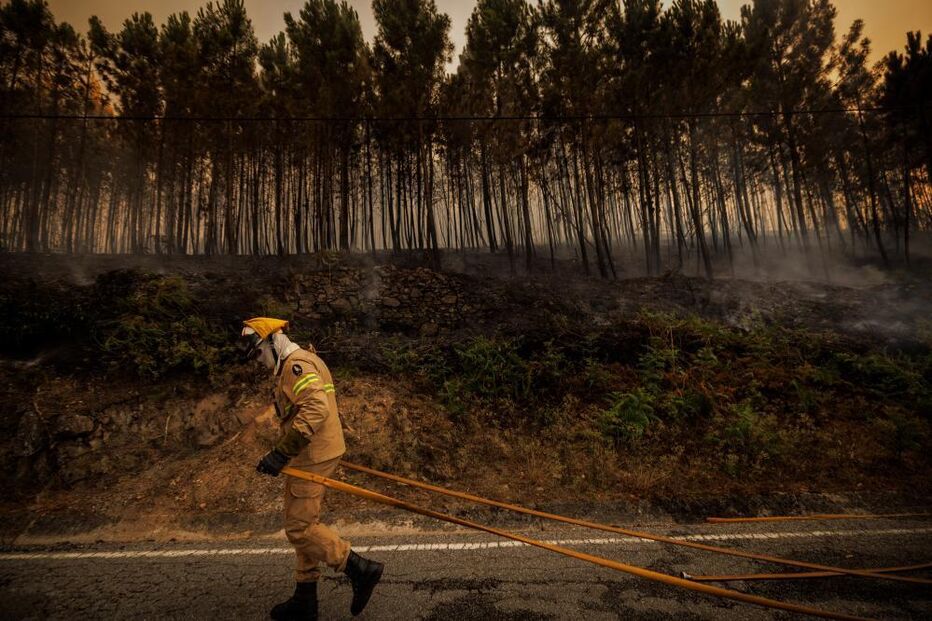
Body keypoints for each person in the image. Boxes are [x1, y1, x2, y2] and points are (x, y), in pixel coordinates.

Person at [240, 317, 383, 621]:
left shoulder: (296, 365)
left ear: (272, 341)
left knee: (299, 528)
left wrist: (281, 453)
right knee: (303, 521)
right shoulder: (299, 361)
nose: (259, 361)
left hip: (312, 453)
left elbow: (317, 407)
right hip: (312, 451)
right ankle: (305, 597)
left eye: (259, 353)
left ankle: (358, 568)